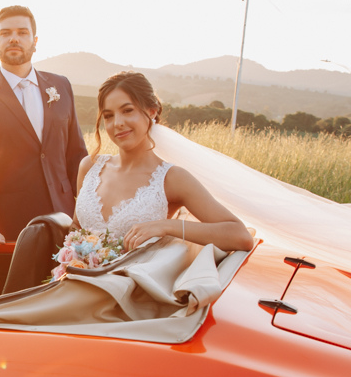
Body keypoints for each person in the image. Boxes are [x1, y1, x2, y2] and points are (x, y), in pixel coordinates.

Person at [0, 6, 88, 259]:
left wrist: (89, 213)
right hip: (15, 227)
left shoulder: (61, 85)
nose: (14, 39)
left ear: (35, 41)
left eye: (22, 32)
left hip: (68, 223)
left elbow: (76, 156)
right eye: (5, 33)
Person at [76, 71, 254, 253]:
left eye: (127, 110)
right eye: (108, 116)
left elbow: (241, 236)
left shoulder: (172, 178)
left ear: (152, 111)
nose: (117, 123)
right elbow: (76, 228)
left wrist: (167, 226)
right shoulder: (90, 167)